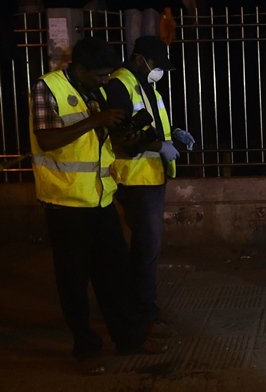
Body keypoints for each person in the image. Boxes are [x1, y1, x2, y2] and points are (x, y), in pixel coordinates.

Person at [29, 37, 166, 373]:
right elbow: (47, 139)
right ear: (80, 69)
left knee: (115, 277)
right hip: (66, 203)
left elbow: (103, 143)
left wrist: (127, 138)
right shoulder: (47, 88)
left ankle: (129, 339)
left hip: (100, 197)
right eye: (102, 75)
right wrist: (95, 120)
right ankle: (86, 350)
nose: (107, 81)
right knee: (74, 283)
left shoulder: (95, 91)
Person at [104, 36, 194, 335]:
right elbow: (122, 135)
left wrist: (174, 134)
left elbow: (149, 123)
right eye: (156, 64)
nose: (159, 71)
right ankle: (143, 315)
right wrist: (160, 146)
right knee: (147, 248)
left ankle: (140, 307)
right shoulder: (120, 84)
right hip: (135, 177)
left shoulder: (145, 84)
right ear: (141, 59)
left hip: (151, 175)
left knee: (146, 248)